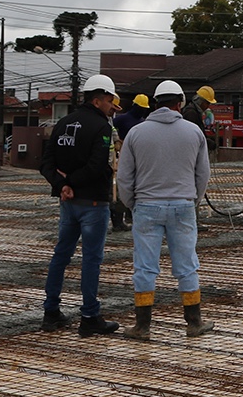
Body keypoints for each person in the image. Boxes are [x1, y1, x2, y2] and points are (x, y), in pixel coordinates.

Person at [116, 79, 214, 340]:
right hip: (183, 205)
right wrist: (192, 200)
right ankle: (194, 323)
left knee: (145, 268)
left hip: (146, 206)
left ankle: (142, 327)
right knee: (187, 266)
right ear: (179, 103)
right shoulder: (193, 132)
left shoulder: (137, 133)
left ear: (155, 102)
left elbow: (124, 177)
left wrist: (132, 204)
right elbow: (202, 173)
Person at [39, 74, 122, 336]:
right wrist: (72, 183)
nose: (113, 107)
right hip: (93, 203)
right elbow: (98, 166)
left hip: (68, 203)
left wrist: (62, 185)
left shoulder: (63, 123)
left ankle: (51, 312)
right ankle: (89, 317)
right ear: (98, 100)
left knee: (61, 255)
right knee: (91, 260)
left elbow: (46, 163)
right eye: (110, 101)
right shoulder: (102, 128)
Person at [109, 93, 152, 232]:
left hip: (139, 159)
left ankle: (130, 215)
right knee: (120, 189)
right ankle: (118, 220)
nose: (142, 110)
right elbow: (111, 129)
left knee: (136, 187)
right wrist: (118, 141)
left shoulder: (144, 122)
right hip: (122, 157)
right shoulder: (122, 119)